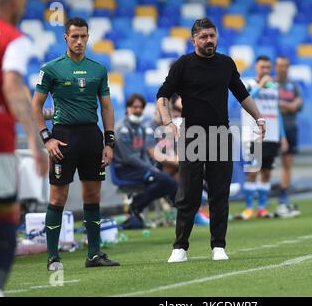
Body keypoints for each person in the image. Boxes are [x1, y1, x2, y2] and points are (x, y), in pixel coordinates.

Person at [156, 18, 265, 263]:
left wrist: (259, 118)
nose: (208, 41)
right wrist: (166, 122)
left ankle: (218, 246)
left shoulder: (226, 64)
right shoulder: (183, 64)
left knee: (219, 193)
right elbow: (163, 94)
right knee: (189, 194)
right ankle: (180, 247)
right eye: (203, 37)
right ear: (193, 40)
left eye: (212, 36)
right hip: (193, 136)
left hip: (220, 135)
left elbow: (242, 94)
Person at [31, 17, 119, 270]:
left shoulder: (98, 69)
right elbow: (35, 105)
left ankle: (94, 255)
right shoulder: (51, 69)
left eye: (83, 36)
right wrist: (46, 138)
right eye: (74, 36)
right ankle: (52, 257)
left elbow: (106, 107)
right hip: (64, 139)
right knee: (58, 197)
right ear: (65, 38)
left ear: (88, 37)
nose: (79, 41)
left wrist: (109, 142)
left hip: (92, 138)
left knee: (92, 196)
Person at [0, 0, 48, 297]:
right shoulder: (13, 38)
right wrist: (34, 141)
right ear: (14, 2)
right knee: (7, 210)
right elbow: (11, 86)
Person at [113, 93, 178, 228]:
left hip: (139, 168)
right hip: (126, 170)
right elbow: (129, 157)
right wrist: (150, 169)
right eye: (134, 107)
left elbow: (142, 154)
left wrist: (150, 168)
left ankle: (137, 204)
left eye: (140, 107)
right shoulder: (121, 128)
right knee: (166, 181)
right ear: (127, 108)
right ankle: (180, 209)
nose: (138, 110)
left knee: (165, 182)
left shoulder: (141, 128)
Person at [240, 55, 287, 220]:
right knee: (253, 170)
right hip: (253, 135)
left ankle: (261, 207)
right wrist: (260, 84)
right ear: (256, 67)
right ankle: (247, 208)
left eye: (268, 67)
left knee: (266, 172)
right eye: (262, 67)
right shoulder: (248, 84)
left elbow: (276, 112)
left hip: (272, 135)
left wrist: (283, 136)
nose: (266, 70)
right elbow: (247, 99)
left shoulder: (274, 86)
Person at [274, 55, 303, 218]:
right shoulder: (271, 84)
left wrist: (286, 106)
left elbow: (300, 104)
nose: (282, 68)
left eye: (285, 65)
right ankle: (260, 200)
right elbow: (274, 104)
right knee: (264, 165)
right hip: (272, 129)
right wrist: (289, 105)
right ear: (275, 66)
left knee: (287, 164)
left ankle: (283, 197)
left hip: (290, 128)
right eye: (279, 65)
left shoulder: (293, 85)